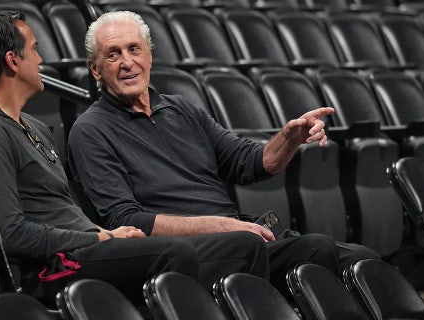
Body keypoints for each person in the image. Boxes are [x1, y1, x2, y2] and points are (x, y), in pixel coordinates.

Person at [0, 11, 269, 304]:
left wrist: (101, 237)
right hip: (52, 266)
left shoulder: (35, 126)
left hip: (82, 248)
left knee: (221, 247)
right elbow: (10, 233)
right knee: (174, 252)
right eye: (34, 50)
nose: (40, 59)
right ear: (13, 60)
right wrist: (99, 237)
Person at [68, 10, 380, 295]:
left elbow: (249, 163)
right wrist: (223, 225)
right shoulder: (90, 130)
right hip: (185, 254)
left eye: (134, 49)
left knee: (360, 260)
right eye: (113, 54)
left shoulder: (183, 109)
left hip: (239, 239)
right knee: (300, 247)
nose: (127, 62)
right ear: (96, 70)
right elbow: (127, 219)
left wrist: (289, 137)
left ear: (149, 55)